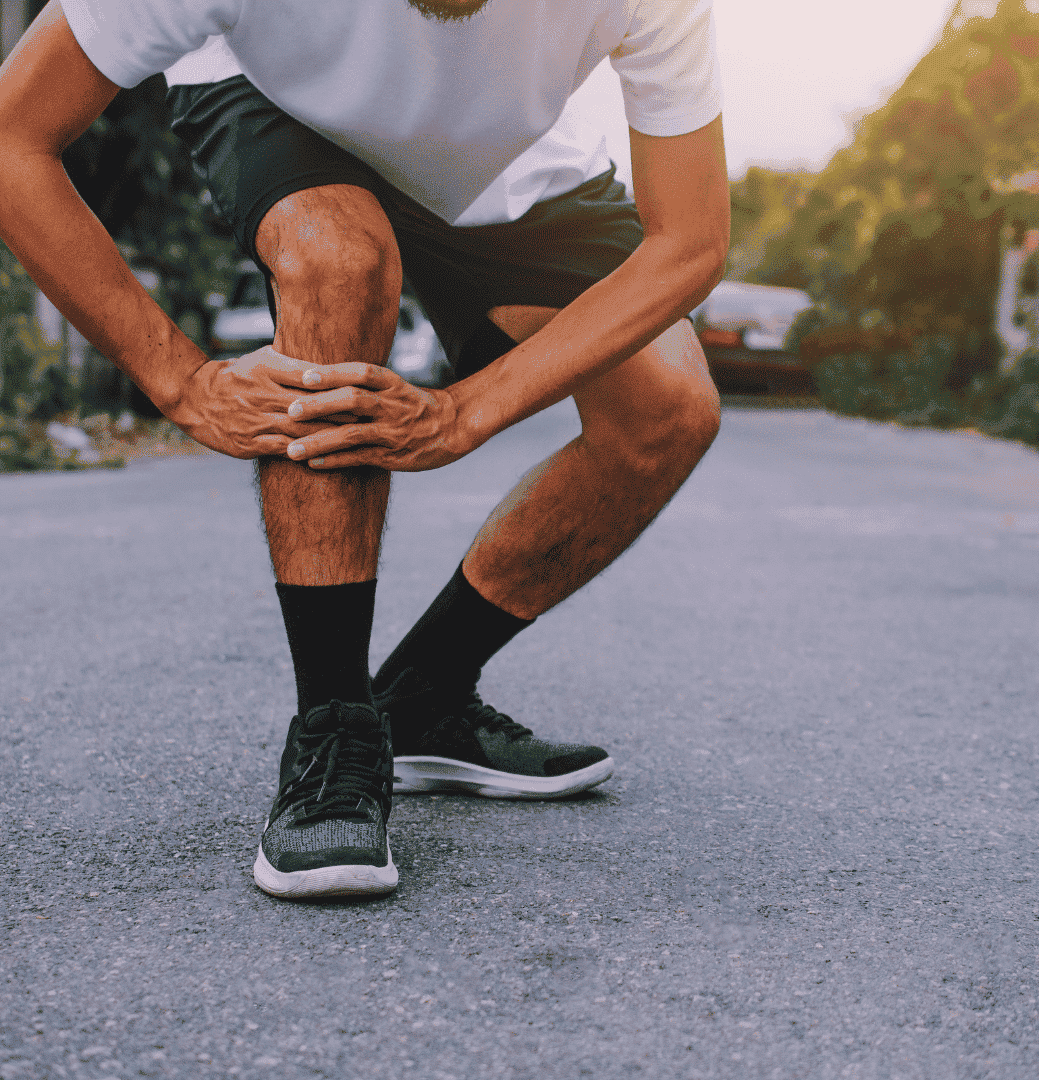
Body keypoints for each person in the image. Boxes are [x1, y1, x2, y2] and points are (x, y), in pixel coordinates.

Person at [0, 0, 729, 899]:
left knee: (669, 408)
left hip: (502, 160)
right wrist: (180, 381)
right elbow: (12, 138)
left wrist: (468, 410)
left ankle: (422, 696)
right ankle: (336, 726)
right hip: (278, 95)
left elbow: (690, 240)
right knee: (336, 260)